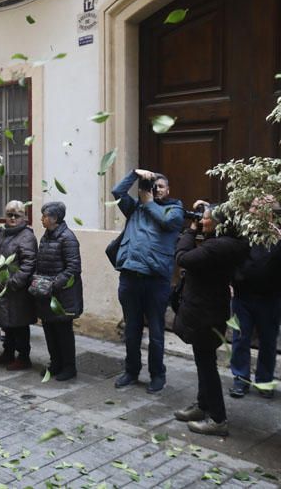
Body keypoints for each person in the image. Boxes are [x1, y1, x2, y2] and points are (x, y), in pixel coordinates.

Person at [173, 202, 249, 436]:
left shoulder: (216, 247)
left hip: (204, 313)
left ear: (219, 223)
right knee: (203, 361)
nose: (203, 220)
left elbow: (182, 258)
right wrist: (205, 210)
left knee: (207, 366)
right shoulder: (231, 243)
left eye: (206, 218)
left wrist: (190, 230)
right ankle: (202, 405)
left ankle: (217, 419)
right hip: (210, 311)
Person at [111, 169, 183, 393]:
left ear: (168, 190)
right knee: (131, 330)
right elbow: (117, 191)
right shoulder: (135, 209)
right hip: (130, 277)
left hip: (156, 281)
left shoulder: (175, 209)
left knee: (156, 332)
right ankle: (131, 371)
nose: (156, 189)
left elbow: (166, 223)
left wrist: (149, 201)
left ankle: (157, 374)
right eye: (153, 186)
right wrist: (134, 174)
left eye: (160, 186)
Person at [228, 197, 281, 399]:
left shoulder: (277, 233)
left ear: (269, 211)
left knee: (268, 342)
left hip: (271, 298)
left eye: (257, 207)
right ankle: (240, 380)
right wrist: (230, 282)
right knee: (240, 339)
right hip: (243, 296)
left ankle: (264, 381)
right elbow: (232, 256)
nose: (252, 210)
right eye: (251, 205)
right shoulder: (244, 231)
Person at [0, 200, 37, 370]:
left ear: (23, 217)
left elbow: (29, 263)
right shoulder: (2, 232)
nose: (13, 218)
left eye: (17, 215)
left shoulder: (27, 236)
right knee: (6, 323)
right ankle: (8, 352)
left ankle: (23, 357)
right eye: (9, 215)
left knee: (19, 324)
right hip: (2, 288)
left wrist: (14, 282)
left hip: (17, 290)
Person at [33, 201, 83, 381]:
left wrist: (53, 284)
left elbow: (73, 268)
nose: (41, 219)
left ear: (55, 218)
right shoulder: (46, 236)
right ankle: (55, 363)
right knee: (49, 329)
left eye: (44, 216)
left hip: (63, 296)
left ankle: (69, 367)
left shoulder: (68, 238)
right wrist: (38, 280)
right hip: (46, 294)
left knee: (63, 332)